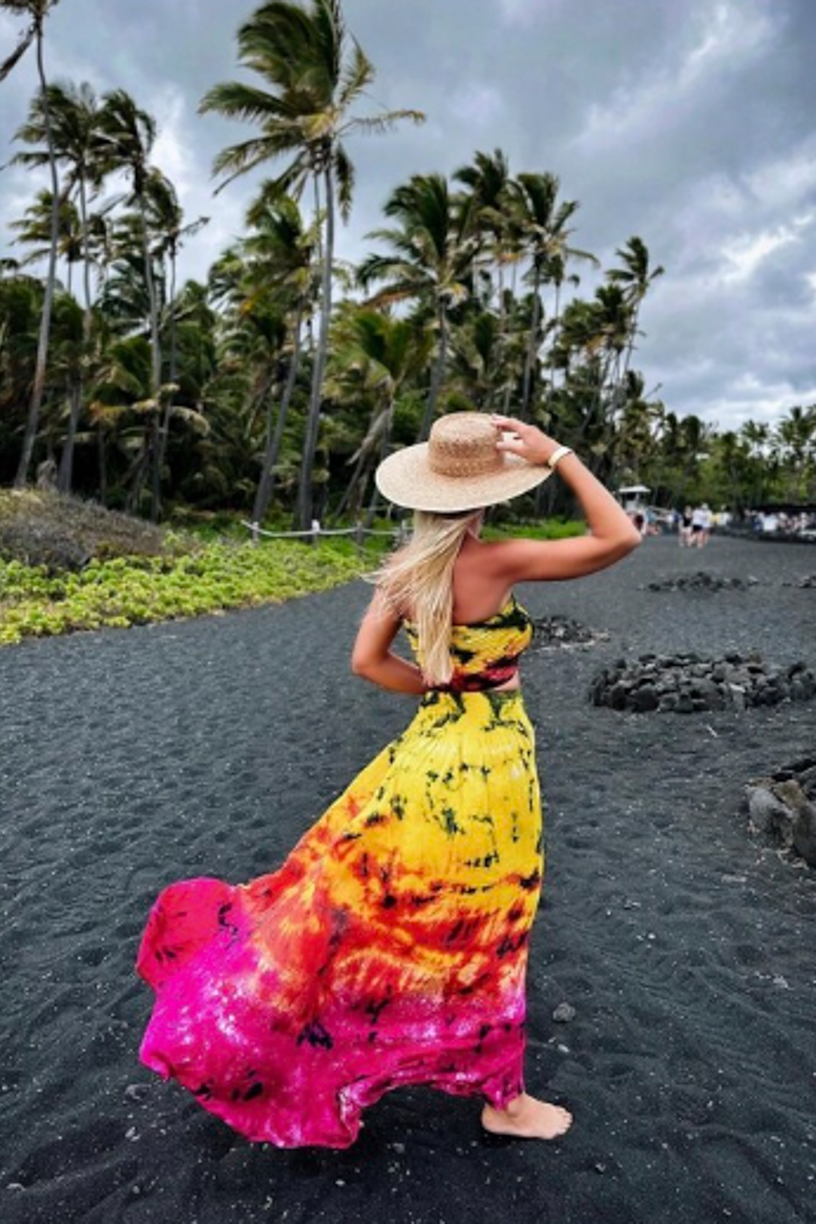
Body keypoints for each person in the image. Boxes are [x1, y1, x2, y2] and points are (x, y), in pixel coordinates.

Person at [135, 412, 641, 1149]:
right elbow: (620, 537)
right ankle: (502, 1098)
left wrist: (443, 685)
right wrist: (559, 452)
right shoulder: (495, 560)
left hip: (424, 755)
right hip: (490, 770)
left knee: (362, 901)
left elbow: (367, 662)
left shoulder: (406, 572)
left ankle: (344, 1036)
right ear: (484, 499)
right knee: (491, 925)